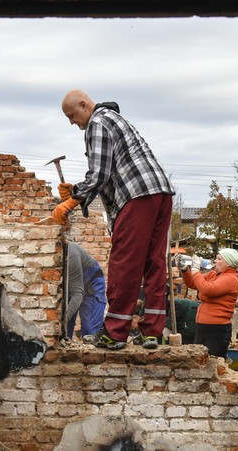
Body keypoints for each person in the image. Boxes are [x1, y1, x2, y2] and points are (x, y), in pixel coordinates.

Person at [54, 90, 175, 350]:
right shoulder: (115, 119)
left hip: (137, 195)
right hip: (161, 193)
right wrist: (78, 191)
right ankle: (152, 332)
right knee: (154, 263)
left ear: (84, 105)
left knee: (124, 262)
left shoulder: (97, 123)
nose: (71, 123)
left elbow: (98, 174)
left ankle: (115, 332)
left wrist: (72, 200)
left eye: (71, 115)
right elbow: (108, 173)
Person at [179, 248, 238, 358]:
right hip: (202, 326)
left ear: (228, 263)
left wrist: (195, 270)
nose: (215, 261)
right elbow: (193, 283)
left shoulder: (230, 278)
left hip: (217, 329)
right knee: (198, 360)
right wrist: (185, 270)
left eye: (219, 259)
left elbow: (207, 289)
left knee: (212, 362)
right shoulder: (214, 274)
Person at [64, 242, 107, 339]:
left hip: (92, 284)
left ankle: (91, 351)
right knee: (64, 333)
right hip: (71, 284)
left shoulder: (71, 256)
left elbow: (78, 294)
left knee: (90, 331)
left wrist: (61, 321)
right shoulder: (52, 259)